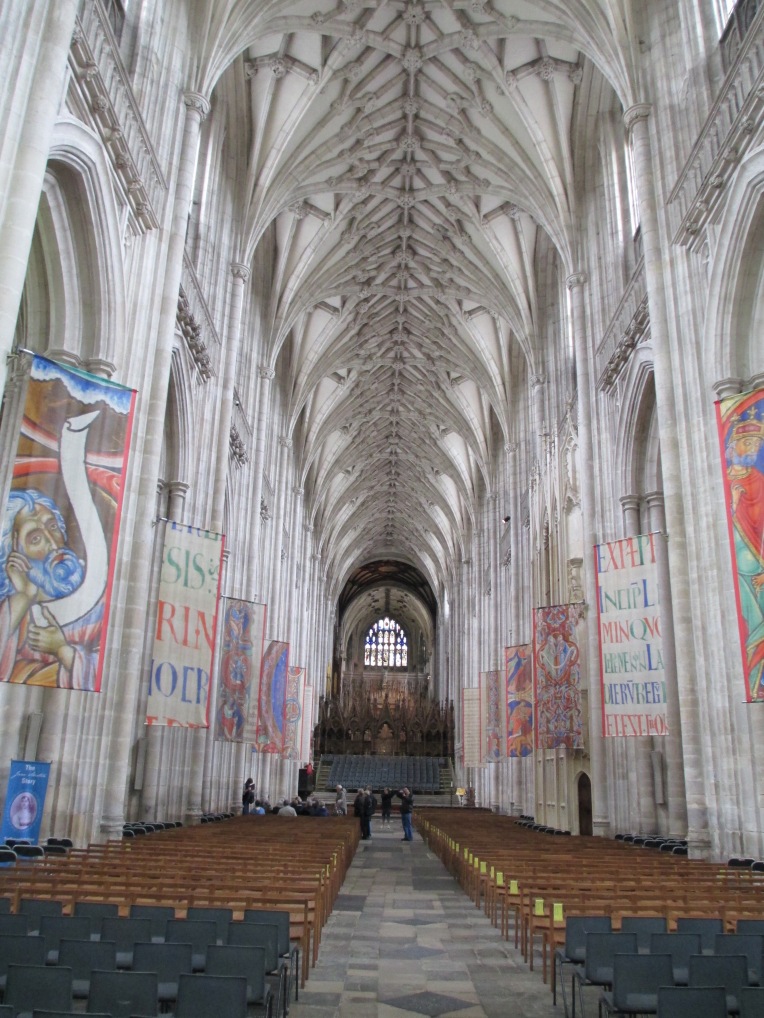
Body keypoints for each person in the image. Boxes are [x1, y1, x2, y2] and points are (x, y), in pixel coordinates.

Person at [0, 489, 102, 690]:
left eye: (53, 526)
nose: (54, 544)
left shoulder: (98, 599)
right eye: (36, 539)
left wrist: (63, 651)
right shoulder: (15, 611)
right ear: (15, 553)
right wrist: (25, 597)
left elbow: (118, 676)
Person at [726, 409, 764, 699]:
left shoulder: (758, 479)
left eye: (755, 445)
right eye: (746, 443)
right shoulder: (724, 477)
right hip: (737, 568)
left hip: (756, 561)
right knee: (750, 618)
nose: (751, 450)